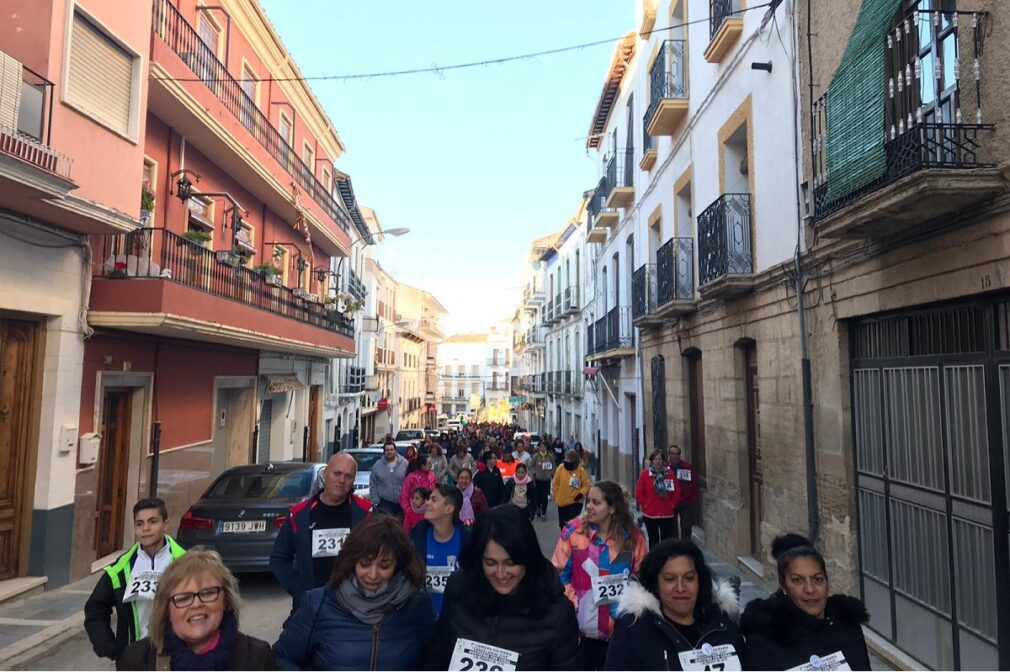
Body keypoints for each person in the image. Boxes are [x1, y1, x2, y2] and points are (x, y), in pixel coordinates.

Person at [424, 505, 583, 670]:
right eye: (490, 563)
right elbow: (439, 656)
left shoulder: (557, 613)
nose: (501, 574)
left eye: (511, 563)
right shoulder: (458, 590)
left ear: (527, 557)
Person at [273, 516, 436, 670]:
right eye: (365, 564)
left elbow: (433, 663)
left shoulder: (417, 605)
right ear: (352, 561)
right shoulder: (318, 604)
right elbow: (280, 658)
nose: (372, 575)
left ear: (398, 566)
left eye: (384, 566)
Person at [117, 548, 274, 670]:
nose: (196, 604)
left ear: (225, 600)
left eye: (207, 593)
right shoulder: (136, 659)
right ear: (167, 610)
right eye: (183, 598)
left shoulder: (256, 657)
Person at [604, 540, 743, 671]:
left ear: (700, 581)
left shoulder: (723, 624)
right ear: (655, 584)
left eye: (689, 578)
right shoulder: (632, 632)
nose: (681, 588)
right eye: (670, 579)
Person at [552, 481, 647, 670]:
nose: (589, 507)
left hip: (619, 629)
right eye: (589, 501)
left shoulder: (634, 538)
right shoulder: (574, 533)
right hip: (580, 629)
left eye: (596, 503)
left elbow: (641, 578)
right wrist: (574, 603)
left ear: (612, 508)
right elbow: (559, 573)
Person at [740, 534, 871, 671]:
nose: (810, 589)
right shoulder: (764, 640)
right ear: (783, 586)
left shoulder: (848, 628)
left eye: (817, 579)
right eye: (797, 580)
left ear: (827, 583)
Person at [85, 498, 187, 664]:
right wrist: (111, 647)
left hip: (179, 655)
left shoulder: (186, 561)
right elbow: (95, 608)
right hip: (134, 657)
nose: (145, 529)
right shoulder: (121, 568)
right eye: (139, 524)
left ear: (166, 524)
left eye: (152, 522)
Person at [270, 452, 371, 610]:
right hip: (312, 609)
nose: (342, 480)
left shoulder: (366, 513)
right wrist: (299, 590)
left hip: (354, 609)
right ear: (325, 474)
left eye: (348, 476)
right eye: (337, 473)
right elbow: (279, 558)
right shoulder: (299, 514)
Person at [409, 484, 469, 616]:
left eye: (434, 500)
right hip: (423, 620)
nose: (427, 503)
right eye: (428, 499)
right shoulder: (415, 538)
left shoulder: (469, 541)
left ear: (449, 508)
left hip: (457, 620)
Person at [634, 451, 681, 549]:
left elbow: (676, 491)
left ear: (663, 461)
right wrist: (646, 504)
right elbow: (639, 492)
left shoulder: (670, 474)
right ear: (651, 461)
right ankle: (654, 560)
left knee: (666, 540)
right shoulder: (645, 474)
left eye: (660, 459)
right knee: (653, 539)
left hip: (667, 513)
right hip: (650, 514)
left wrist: (672, 504)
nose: (658, 461)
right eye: (655, 459)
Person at [552, 449, 591, 529]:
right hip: (562, 502)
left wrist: (581, 493)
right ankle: (565, 540)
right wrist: (556, 496)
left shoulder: (580, 471)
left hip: (575, 502)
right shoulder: (560, 468)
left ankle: (573, 540)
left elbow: (587, 485)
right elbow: (555, 484)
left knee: (572, 525)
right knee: (563, 526)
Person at [369, 439, 409, 517]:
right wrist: (375, 499)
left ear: (395, 450)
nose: (389, 452)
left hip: (402, 503)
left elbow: (410, 482)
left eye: (391, 450)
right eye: (387, 450)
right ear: (384, 451)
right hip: (384, 503)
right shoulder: (377, 465)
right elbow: (372, 483)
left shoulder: (405, 464)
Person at [666, 445, 697, 541]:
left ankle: (685, 547)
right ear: (669, 455)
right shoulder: (665, 469)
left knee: (687, 527)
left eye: (678, 453)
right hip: (670, 502)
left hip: (685, 501)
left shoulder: (687, 467)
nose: (676, 456)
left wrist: (693, 499)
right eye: (673, 454)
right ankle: (674, 547)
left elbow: (694, 483)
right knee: (672, 528)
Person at [529, 441, 556, 521]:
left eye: (544, 447)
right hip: (538, 480)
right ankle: (538, 507)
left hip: (547, 480)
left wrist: (551, 474)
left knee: (545, 497)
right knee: (538, 496)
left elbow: (554, 466)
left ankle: (544, 513)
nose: (542, 448)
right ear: (539, 448)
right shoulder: (536, 456)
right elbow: (531, 466)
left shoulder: (550, 456)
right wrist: (534, 473)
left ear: (546, 448)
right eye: (541, 447)